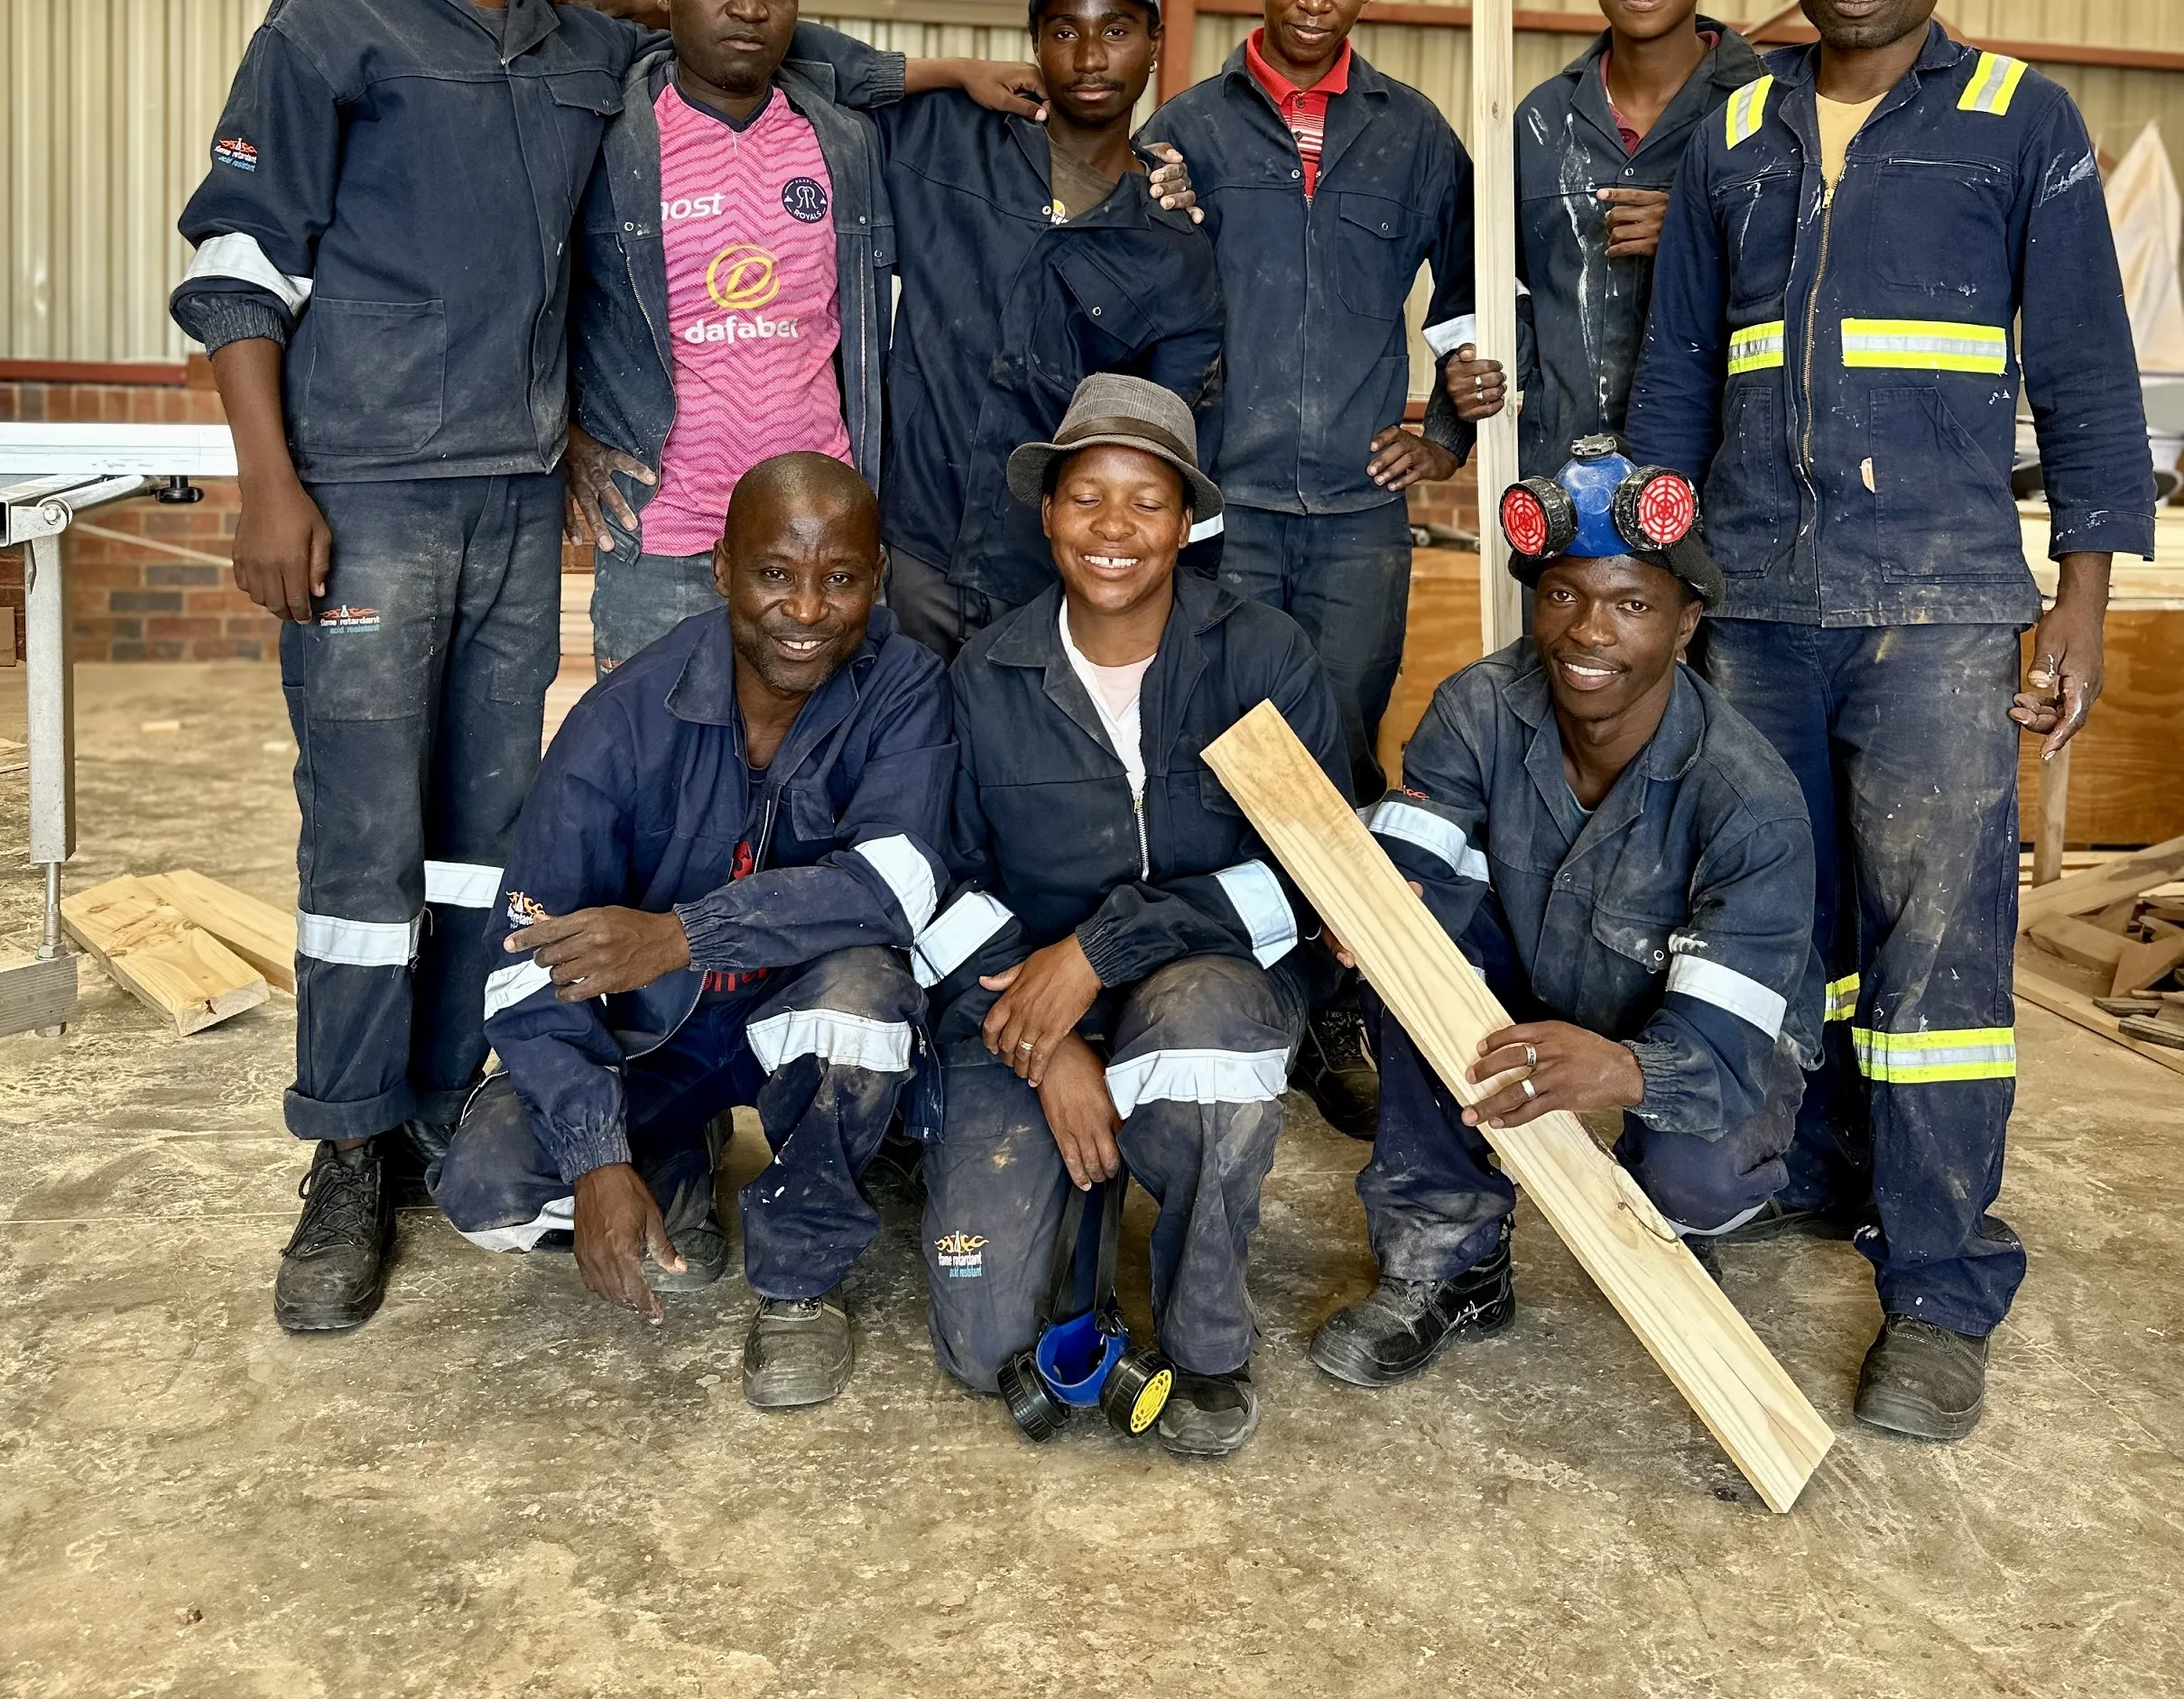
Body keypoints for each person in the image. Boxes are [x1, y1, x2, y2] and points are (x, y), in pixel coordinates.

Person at [1625, 0, 2155, 1442]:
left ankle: (1937, 1280)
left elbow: (2084, 376)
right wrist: (1660, 562)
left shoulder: (2019, 122)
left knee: (1941, 954)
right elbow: (1673, 380)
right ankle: (1816, 1169)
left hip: (1936, 605)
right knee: (1783, 923)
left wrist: (2081, 596)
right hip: (1758, 608)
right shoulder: (1729, 120)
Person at [171, 0, 648, 1336]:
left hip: (516, 504)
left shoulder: (586, 46)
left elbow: (749, 34)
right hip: (363, 486)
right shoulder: (336, 14)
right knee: (362, 844)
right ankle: (347, 1142)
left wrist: (932, 71)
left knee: (483, 832)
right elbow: (240, 260)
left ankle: (445, 1093)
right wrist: (270, 487)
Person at [433, 454, 952, 1409]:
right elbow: (523, 962)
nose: (804, 609)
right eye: (773, 573)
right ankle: (669, 1159)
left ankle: (800, 1275)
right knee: (486, 1190)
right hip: (656, 1043)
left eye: (839, 578)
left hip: (792, 1019)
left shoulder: (905, 688)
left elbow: (897, 885)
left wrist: (684, 934)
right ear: (720, 569)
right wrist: (593, 1153)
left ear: (875, 580)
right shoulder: (623, 719)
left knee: (863, 1000)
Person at [1310, 441, 1816, 1390]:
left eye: (1630, 605)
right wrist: (1375, 909)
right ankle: (1449, 1261)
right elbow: (1419, 865)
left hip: (1704, 1030)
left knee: (1695, 1171)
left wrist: (1622, 1068)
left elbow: (1719, 1043)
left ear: (1683, 625)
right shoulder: (1476, 707)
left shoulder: (1747, 800)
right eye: (1560, 596)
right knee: (1411, 961)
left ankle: (1678, 1228)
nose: (1587, 633)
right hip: (1543, 966)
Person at [913, 376, 1350, 1459]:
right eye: (1086, 497)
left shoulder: (1261, 658)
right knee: (986, 1347)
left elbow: (1312, 881)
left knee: (1210, 1027)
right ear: (1049, 513)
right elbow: (945, 888)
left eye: (1145, 501)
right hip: (1023, 1017)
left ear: (1185, 521)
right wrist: (1050, 1036)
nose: (1114, 529)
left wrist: (1104, 947)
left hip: (1196, 995)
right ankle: (1072, 1209)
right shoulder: (987, 673)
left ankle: (1205, 1341)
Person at [1148, 0, 1475, 1136]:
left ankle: (1333, 1006)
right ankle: (1232, 982)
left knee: (1337, 757)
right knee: (1216, 749)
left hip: (1351, 514)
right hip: (1222, 508)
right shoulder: (1188, 127)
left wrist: (1442, 426)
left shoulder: (1413, 132)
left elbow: (1464, 296)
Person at [561, 0, 1073, 671]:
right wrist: (565, 429)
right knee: (659, 780)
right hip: (665, 535)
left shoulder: (840, 138)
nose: (747, 8)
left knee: (818, 780)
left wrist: (1156, 174)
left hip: (820, 538)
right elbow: (533, 280)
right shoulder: (610, 128)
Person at [859, 0, 1224, 660]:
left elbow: (1173, 454)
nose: (1089, 58)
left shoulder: (1173, 250)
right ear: (1034, 41)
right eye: (1064, 30)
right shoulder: (945, 137)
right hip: (904, 562)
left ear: (1156, 42)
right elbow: (793, 62)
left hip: (1044, 590)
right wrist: (949, 69)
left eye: (1116, 30)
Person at [1442, 0, 1764, 467]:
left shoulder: (1765, 114)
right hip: (1559, 479)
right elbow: (1489, 292)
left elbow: (1815, 282)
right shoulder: (1537, 123)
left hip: (1721, 480)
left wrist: (1698, 230)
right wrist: (1466, 387)